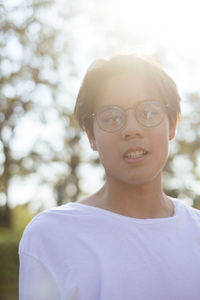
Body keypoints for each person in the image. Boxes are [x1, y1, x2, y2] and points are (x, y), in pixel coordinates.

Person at [19, 54, 200, 300]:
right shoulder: (50, 235)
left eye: (148, 113)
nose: (131, 129)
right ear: (91, 136)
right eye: (112, 118)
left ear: (172, 125)